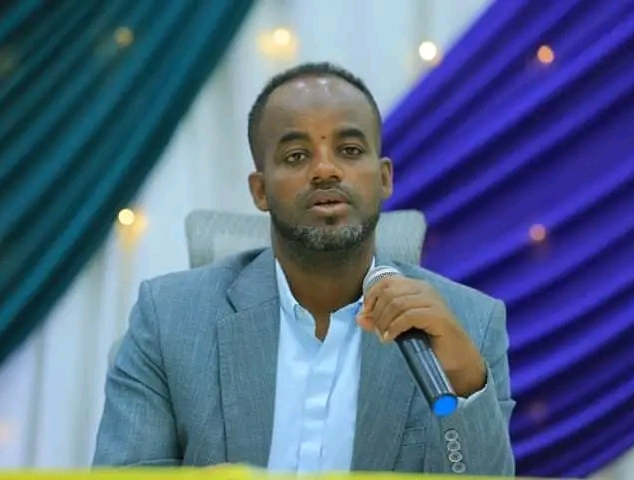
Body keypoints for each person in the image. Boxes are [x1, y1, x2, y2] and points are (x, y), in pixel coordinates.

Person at [93, 62, 515, 475]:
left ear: (384, 178)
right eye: (296, 156)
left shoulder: (470, 323)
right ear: (260, 190)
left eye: (350, 151)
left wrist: (463, 382)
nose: (326, 170)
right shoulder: (168, 319)